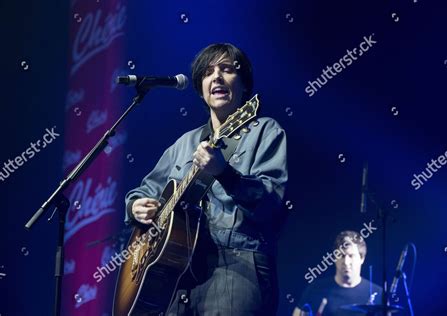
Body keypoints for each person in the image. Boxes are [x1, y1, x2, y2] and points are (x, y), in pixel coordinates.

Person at [124, 43, 288, 315]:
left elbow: (271, 206)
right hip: (180, 275)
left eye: (227, 70)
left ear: (245, 85)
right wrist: (135, 206)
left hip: (238, 268)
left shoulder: (266, 131)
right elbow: (145, 190)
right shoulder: (183, 144)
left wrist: (224, 173)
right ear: (201, 88)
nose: (217, 77)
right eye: (208, 72)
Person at [293, 231, 382, 316]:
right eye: (342, 256)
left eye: (351, 256)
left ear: (362, 258)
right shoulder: (315, 289)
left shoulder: (378, 293)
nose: (346, 262)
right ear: (334, 258)